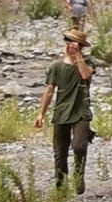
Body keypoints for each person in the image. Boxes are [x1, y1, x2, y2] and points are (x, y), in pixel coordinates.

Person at [34, 28, 95, 193]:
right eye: (67, 41)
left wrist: (77, 57)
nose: (69, 45)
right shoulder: (56, 66)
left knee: (78, 147)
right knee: (60, 152)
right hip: (61, 112)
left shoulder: (87, 61)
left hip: (81, 111)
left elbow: (85, 76)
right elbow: (49, 90)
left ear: (81, 46)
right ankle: (60, 186)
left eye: (73, 42)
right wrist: (41, 113)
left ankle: (78, 175)